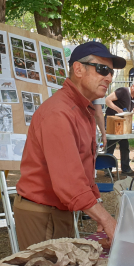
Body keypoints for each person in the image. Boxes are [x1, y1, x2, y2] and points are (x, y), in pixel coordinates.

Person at [14, 41, 125, 249]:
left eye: (111, 72)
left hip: (58, 210)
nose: (108, 77)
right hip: (42, 212)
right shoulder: (59, 112)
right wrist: (106, 220)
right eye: (102, 69)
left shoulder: (82, 109)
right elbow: (70, 183)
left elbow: (81, 172)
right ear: (78, 69)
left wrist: (97, 207)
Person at [104, 78, 134, 175]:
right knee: (111, 145)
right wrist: (118, 110)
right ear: (133, 86)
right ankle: (107, 169)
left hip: (122, 125)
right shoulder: (123, 91)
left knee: (125, 146)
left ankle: (125, 168)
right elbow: (107, 100)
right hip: (112, 123)